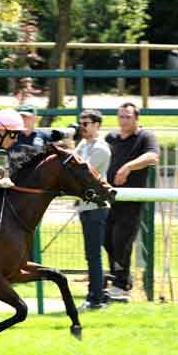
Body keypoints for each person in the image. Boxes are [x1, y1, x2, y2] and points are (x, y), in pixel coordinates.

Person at [103, 102, 160, 302]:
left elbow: (153, 156)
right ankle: (114, 278)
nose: (123, 120)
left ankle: (122, 285)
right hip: (108, 198)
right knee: (107, 239)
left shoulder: (145, 137)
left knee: (121, 242)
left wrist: (128, 167)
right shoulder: (111, 138)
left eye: (127, 116)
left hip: (131, 199)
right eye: (120, 116)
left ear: (136, 118)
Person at [74, 109, 111, 311]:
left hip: (96, 207)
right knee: (91, 254)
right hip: (85, 207)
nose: (82, 126)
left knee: (94, 254)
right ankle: (96, 295)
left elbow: (81, 172)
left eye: (86, 123)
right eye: (81, 123)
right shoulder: (83, 145)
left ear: (97, 125)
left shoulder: (101, 149)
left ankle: (96, 298)